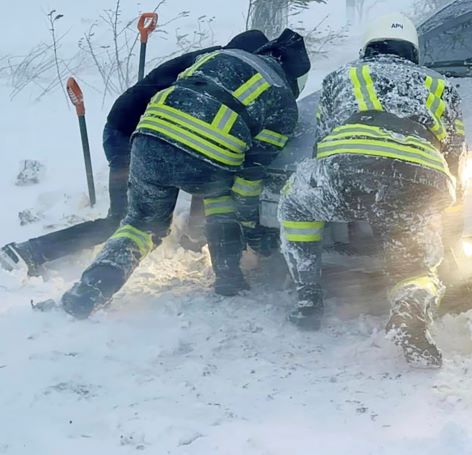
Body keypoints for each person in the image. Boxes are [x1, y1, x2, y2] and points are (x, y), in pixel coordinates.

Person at [59, 28, 310, 319]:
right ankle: (229, 279)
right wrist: (253, 230)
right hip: (207, 157)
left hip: (148, 140)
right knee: (221, 199)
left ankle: (91, 290)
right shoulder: (283, 101)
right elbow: (249, 178)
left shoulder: (216, 57)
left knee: (140, 225)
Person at [278, 13, 466, 368]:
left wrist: (342, 189)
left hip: (349, 169)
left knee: (296, 204)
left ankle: (308, 295)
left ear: (367, 47)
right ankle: (410, 309)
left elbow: (323, 141)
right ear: (413, 51)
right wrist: (446, 207)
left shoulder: (342, 76)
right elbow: (456, 155)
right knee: (417, 265)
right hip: (419, 179)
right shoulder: (442, 85)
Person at [0, 31, 270, 276]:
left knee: (205, 165)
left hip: (157, 135)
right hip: (129, 136)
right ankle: (29, 251)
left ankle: (192, 236)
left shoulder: (216, 63)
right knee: (122, 221)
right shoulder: (219, 71)